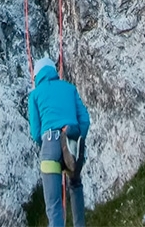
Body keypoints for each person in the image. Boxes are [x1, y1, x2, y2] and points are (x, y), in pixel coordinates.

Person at [28, 57, 90, 227]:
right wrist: (76, 139)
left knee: (54, 204)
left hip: (49, 145)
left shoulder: (35, 95)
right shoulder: (70, 89)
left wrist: (47, 145)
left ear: (37, 76)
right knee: (75, 184)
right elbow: (84, 120)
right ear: (53, 72)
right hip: (71, 142)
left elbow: (35, 132)